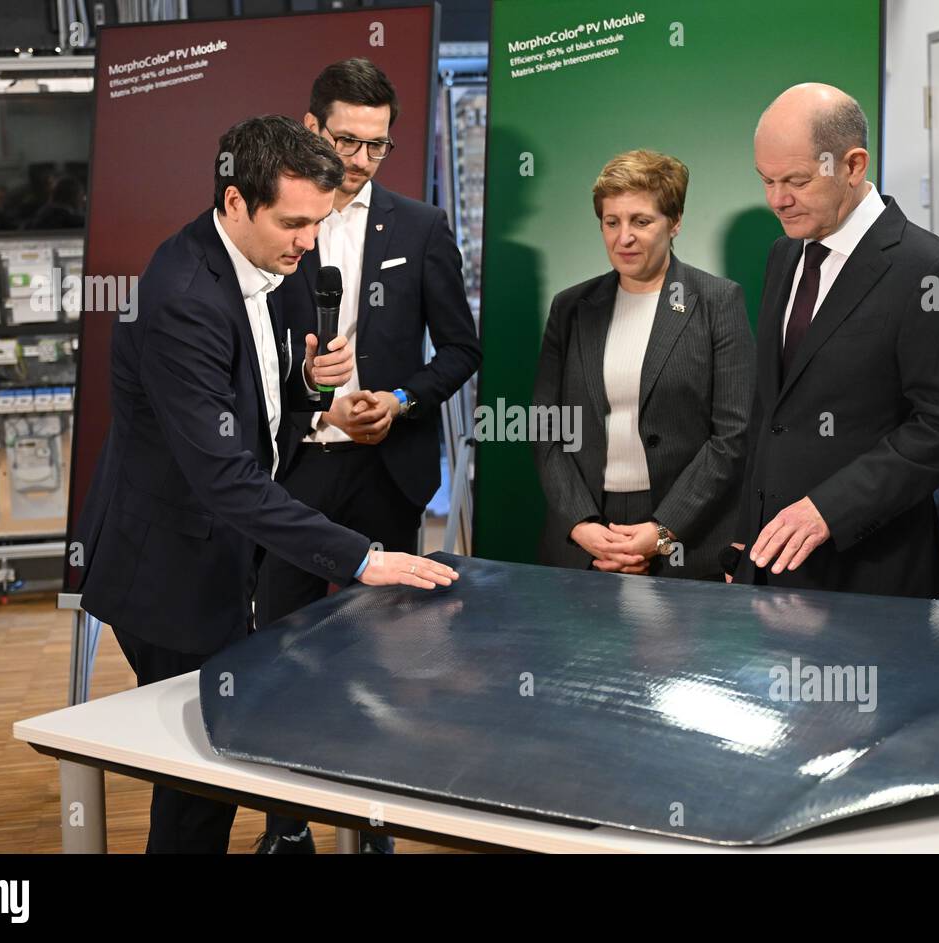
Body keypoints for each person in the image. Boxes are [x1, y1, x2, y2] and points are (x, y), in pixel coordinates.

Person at [73, 114, 458, 854]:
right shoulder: (182, 295)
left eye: (317, 222)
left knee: (211, 775)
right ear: (234, 203)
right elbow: (225, 476)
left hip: (226, 551)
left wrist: (307, 382)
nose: (308, 242)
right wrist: (364, 559)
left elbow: (256, 391)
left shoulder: (273, 262)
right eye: (293, 223)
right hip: (167, 568)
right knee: (198, 788)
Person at [255, 59, 480, 853]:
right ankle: (288, 823)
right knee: (281, 650)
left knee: (385, 657)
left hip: (389, 472)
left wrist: (402, 401)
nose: (360, 159)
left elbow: (460, 347)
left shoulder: (419, 227)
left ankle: (373, 819)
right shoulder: (269, 222)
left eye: (378, 145)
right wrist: (310, 391)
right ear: (311, 128)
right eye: (346, 139)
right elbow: (242, 357)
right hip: (292, 474)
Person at [724, 83, 939, 597]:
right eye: (767, 180)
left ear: (853, 165)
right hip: (774, 566)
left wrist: (830, 508)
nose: (778, 200)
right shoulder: (784, 254)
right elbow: (771, 412)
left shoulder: (934, 270)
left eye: (796, 180)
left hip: (873, 573)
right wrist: (743, 535)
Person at [532, 149, 753, 580]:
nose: (623, 237)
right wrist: (580, 524)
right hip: (586, 535)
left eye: (641, 221)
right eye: (611, 222)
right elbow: (546, 426)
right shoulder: (571, 307)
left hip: (686, 535)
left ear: (675, 223)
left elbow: (732, 436)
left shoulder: (717, 302)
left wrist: (662, 531)